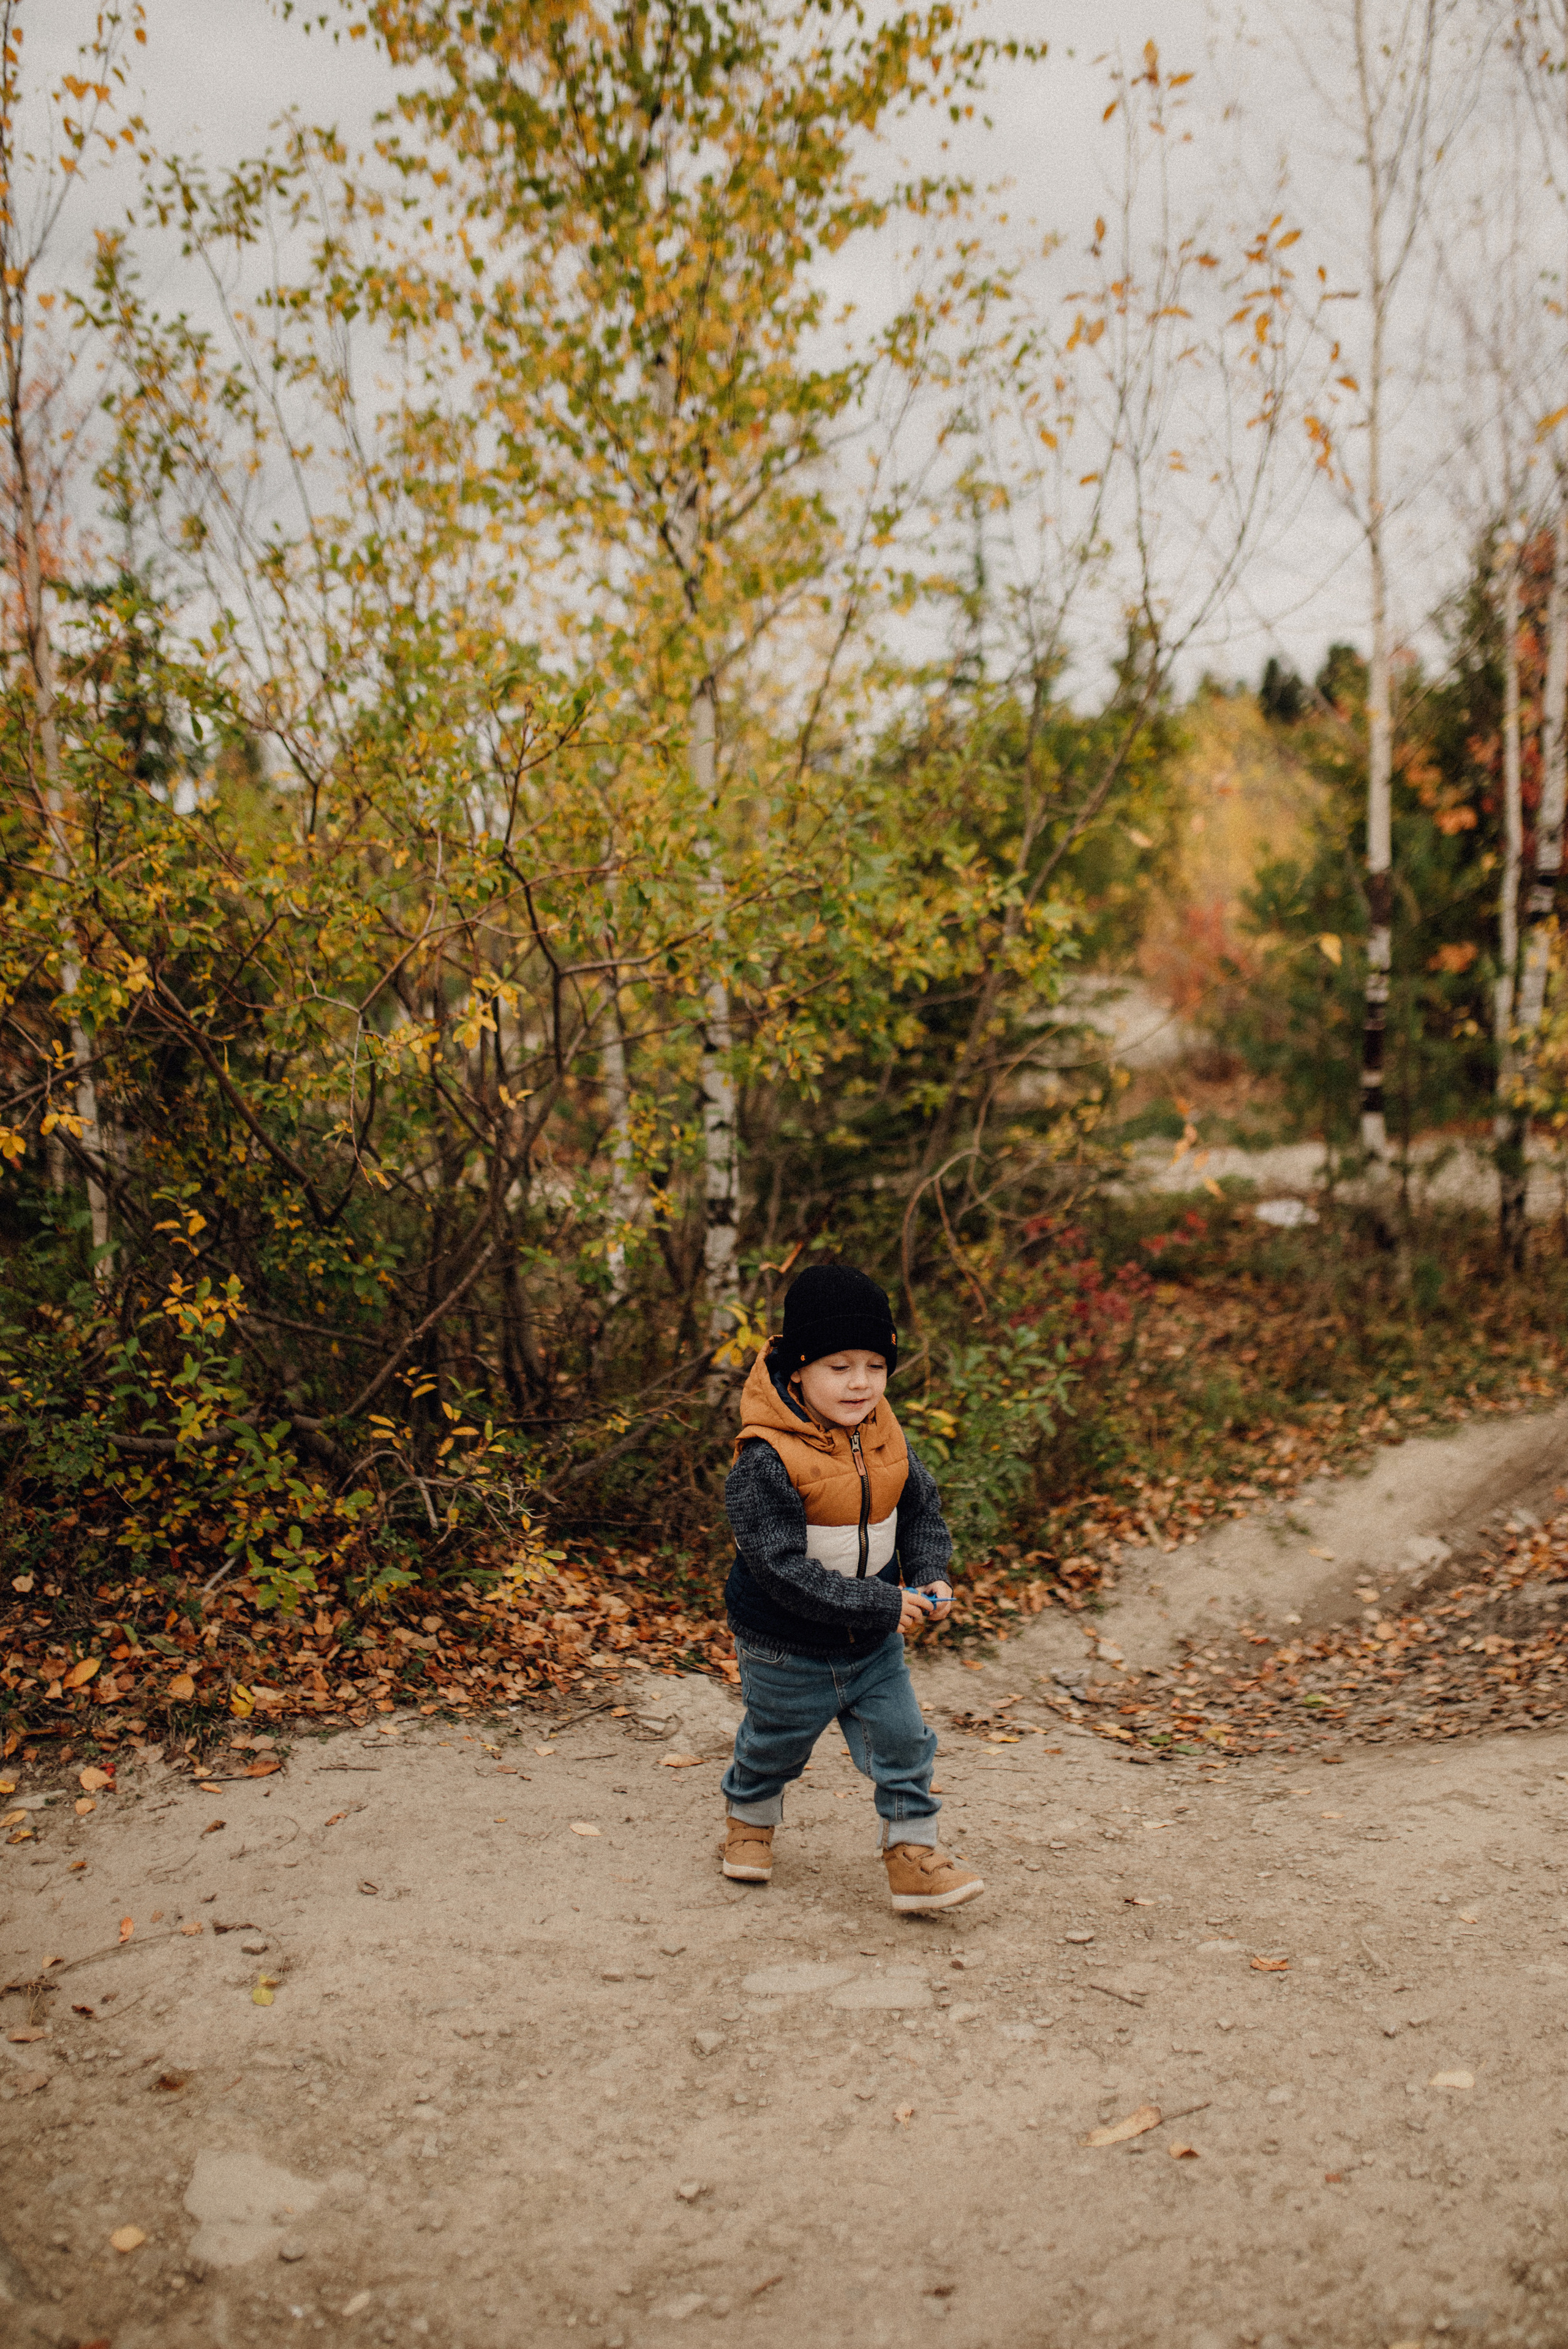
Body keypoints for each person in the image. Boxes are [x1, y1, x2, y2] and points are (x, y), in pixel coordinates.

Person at [718, 1261, 984, 1915]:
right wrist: (881, 1602)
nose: (860, 1383)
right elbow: (779, 1568)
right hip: (786, 1645)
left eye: (874, 1364)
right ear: (798, 1368)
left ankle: (912, 1856)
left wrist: (928, 1572)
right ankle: (750, 1817)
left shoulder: (885, 1432)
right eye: (839, 1366)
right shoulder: (765, 1460)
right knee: (775, 1742)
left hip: (871, 1642)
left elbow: (921, 1510)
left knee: (904, 1740)